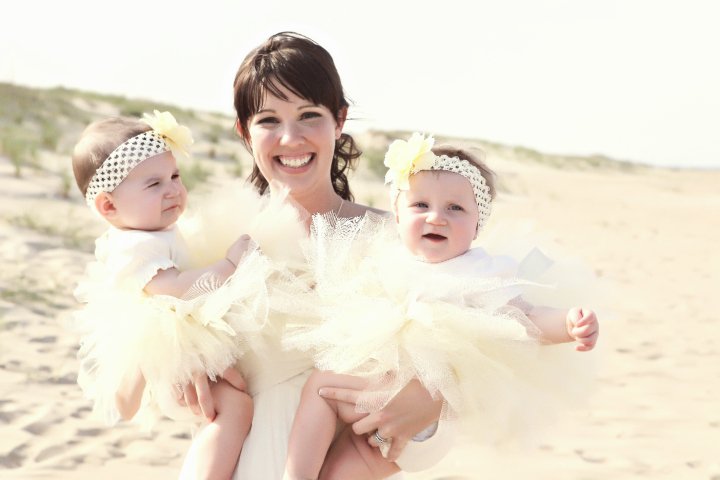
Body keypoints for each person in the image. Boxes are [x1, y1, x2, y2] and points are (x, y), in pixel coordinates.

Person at [178, 32, 447, 479]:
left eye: (309, 115)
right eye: (269, 120)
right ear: (244, 131)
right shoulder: (215, 243)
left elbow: (469, 345)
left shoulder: (394, 238)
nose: (291, 138)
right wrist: (180, 361)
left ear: (339, 120)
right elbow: (146, 352)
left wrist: (431, 398)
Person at [282, 133, 600, 479]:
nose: (436, 217)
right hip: (372, 393)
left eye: (455, 208)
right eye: (421, 205)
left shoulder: (480, 271)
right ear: (398, 216)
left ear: (477, 226)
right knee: (334, 445)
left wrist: (568, 324)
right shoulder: (386, 258)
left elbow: (524, 317)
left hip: (420, 410)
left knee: (325, 397)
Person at [71, 111, 260, 480]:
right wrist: (228, 266)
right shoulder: (136, 246)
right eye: (154, 184)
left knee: (229, 402)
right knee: (235, 407)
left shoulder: (151, 232)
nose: (173, 189)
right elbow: (176, 290)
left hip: (177, 341)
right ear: (109, 206)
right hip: (168, 348)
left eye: (175, 176)